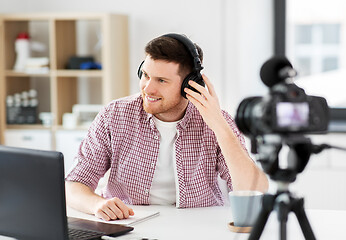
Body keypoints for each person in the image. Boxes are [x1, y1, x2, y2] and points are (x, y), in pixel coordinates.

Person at [65, 33, 268, 221]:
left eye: (161, 80)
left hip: (198, 225)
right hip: (130, 225)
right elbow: (73, 185)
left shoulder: (216, 122)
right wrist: (97, 204)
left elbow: (256, 191)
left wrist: (220, 127)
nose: (148, 88)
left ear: (189, 84)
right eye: (145, 75)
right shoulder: (115, 115)